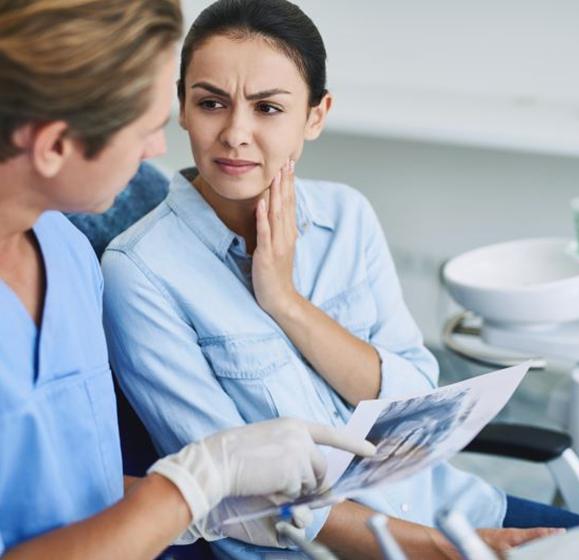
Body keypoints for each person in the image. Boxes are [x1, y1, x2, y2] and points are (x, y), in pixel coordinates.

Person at [101, 0, 579, 558]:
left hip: (449, 506)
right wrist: (445, 550)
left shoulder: (347, 218)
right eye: (211, 103)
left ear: (315, 115)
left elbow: (416, 400)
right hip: (312, 548)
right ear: (183, 108)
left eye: (267, 108)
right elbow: (235, 494)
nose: (235, 133)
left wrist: (285, 301)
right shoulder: (140, 272)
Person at [0, 1, 375, 558]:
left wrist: (209, 500)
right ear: (55, 145)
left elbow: (82, 492)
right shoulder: (131, 266)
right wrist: (196, 480)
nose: (158, 150)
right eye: (148, 126)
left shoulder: (67, 253)